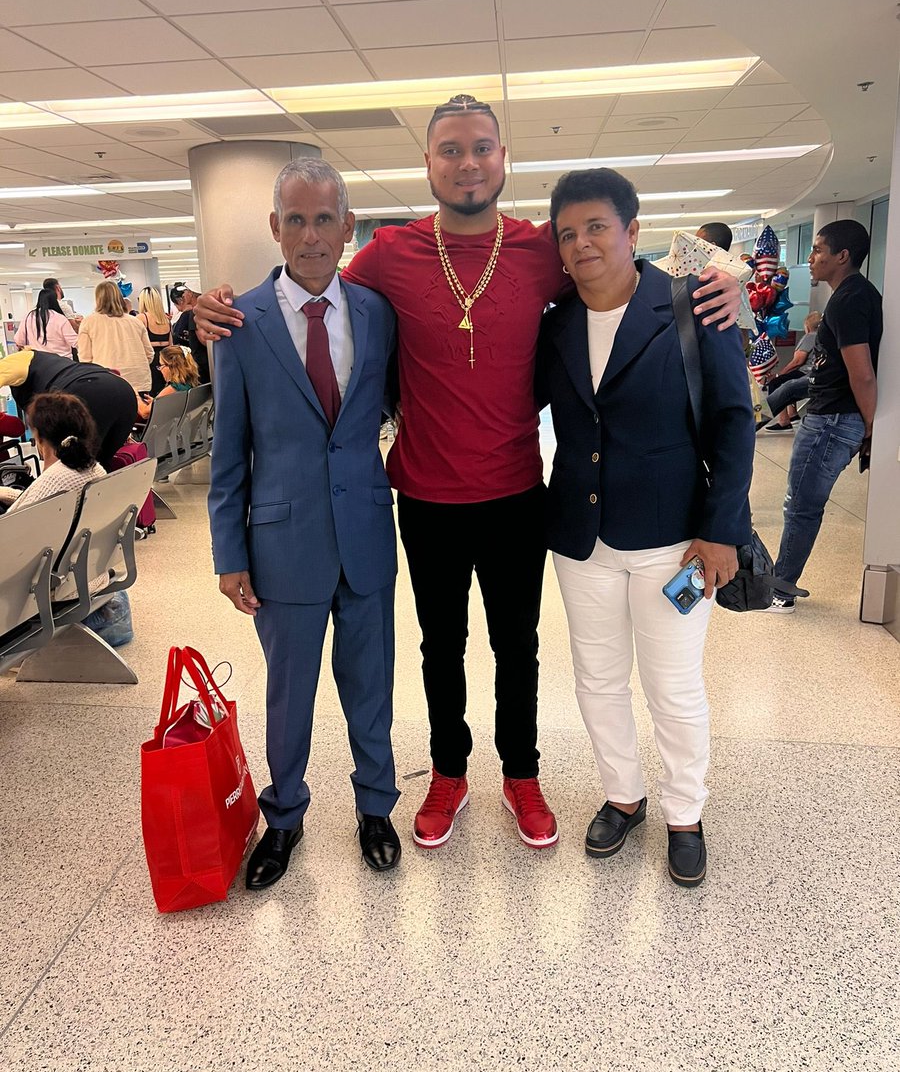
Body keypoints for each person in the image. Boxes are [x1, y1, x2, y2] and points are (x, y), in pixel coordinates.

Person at [195, 95, 742, 854]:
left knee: (519, 646)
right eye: (450, 150)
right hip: (423, 494)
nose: (467, 163)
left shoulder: (542, 252)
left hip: (520, 492)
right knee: (438, 646)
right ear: (428, 165)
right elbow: (309, 286)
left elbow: (617, 269)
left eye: (481, 147)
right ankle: (448, 773)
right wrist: (217, 306)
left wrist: (720, 287)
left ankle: (522, 775)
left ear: (502, 159)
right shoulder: (386, 256)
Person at [536, 168, 754, 887]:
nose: (581, 243)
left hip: (675, 542)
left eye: (597, 227)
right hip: (580, 538)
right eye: (567, 233)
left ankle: (685, 811)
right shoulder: (557, 322)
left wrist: (722, 530)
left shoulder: (693, 307)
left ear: (632, 231)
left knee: (674, 686)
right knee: (597, 679)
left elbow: (732, 421)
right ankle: (622, 795)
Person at [208, 157, 402, 885]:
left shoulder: (377, 314)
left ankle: (375, 806)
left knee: (371, 682)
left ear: (348, 227)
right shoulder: (240, 322)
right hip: (281, 542)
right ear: (274, 227)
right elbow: (229, 452)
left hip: (366, 536)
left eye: (326, 219)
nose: (311, 235)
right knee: (289, 692)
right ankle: (284, 816)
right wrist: (229, 553)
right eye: (296, 219)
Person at [768, 220, 881, 613]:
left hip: (833, 420)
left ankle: (780, 590)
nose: (811, 258)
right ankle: (781, 582)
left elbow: (861, 371)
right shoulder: (853, 295)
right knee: (800, 503)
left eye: (817, 250)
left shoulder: (850, 299)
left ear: (842, 256)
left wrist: (871, 427)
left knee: (801, 506)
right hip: (833, 416)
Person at [0, 349, 138, 470]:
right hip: (124, 391)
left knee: (64, 468)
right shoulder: (53, 362)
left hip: (85, 393)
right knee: (100, 466)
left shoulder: (17, 360)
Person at [77, 283, 154, 394]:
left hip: (107, 382)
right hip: (139, 381)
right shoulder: (135, 321)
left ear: (98, 298)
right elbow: (149, 354)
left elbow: (85, 358)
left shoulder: (88, 322)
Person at [760, 311, 822, 431]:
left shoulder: (810, 336)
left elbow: (797, 361)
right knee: (789, 382)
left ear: (807, 326)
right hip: (815, 373)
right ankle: (792, 415)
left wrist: (780, 374)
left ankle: (783, 421)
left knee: (777, 383)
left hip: (807, 373)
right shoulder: (823, 337)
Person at [15, 287, 79, 358]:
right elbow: (75, 342)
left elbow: (19, 340)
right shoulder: (60, 318)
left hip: (38, 362)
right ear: (55, 301)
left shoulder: (28, 317)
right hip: (61, 362)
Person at [170, 283, 209, 384]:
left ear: (189, 294)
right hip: (205, 360)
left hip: (201, 362)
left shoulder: (194, 313)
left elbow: (204, 339)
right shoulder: (198, 311)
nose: (182, 297)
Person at [137, 287, 173, 395]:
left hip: (150, 361)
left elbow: (138, 344)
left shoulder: (141, 318)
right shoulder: (166, 320)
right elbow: (171, 344)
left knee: (151, 395)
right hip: (166, 360)